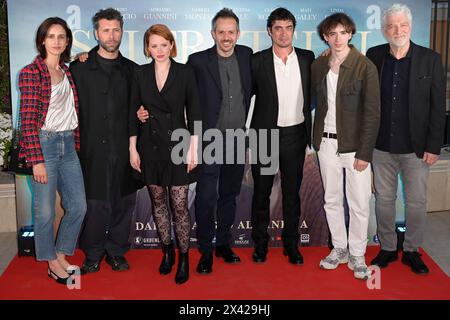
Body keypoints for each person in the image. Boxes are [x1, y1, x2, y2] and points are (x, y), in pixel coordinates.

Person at [367, 4, 446, 274]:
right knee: (384, 200)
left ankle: (412, 250)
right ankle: (387, 248)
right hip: (381, 147)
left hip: (417, 150)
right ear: (384, 29)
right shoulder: (374, 55)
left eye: (402, 25)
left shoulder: (430, 59)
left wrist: (433, 146)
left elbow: (438, 107)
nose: (397, 30)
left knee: (416, 202)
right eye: (391, 25)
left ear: (410, 27)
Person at [70, 8, 140, 274]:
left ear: (122, 31)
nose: (112, 36)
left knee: (124, 202)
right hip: (90, 150)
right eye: (106, 30)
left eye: (116, 30)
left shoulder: (133, 70)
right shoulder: (79, 68)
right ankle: (93, 253)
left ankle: (117, 251)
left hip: (125, 149)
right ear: (96, 33)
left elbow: (141, 108)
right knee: (95, 204)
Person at [129, 24, 201, 284]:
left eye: (164, 44)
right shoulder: (140, 73)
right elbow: (132, 112)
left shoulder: (185, 72)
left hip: (179, 144)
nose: (159, 50)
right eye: (154, 45)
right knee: (158, 203)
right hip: (150, 146)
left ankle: (184, 257)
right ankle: (167, 252)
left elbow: (195, 113)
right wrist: (132, 148)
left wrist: (194, 150)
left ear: (172, 45)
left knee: (179, 205)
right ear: (147, 48)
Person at [311, 13, 380, 280]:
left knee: (360, 202)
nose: (337, 38)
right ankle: (339, 248)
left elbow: (373, 114)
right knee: (331, 199)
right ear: (326, 37)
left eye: (342, 32)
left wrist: (365, 153)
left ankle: (357, 253)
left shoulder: (365, 66)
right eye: (332, 34)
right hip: (326, 144)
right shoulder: (319, 66)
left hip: (354, 147)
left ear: (350, 34)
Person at [18, 17, 86, 284]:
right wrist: (36, 161)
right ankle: (49, 261)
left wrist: (83, 57)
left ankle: (59, 253)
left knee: (78, 205)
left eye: (62, 36)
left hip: (68, 145)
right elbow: (27, 120)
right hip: (44, 144)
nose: (57, 41)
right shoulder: (30, 73)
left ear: (67, 40)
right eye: (51, 36)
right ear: (42, 40)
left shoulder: (68, 71)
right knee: (45, 211)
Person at [187, 8, 252, 274]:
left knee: (229, 194)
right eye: (221, 32)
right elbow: (185, 97)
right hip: (208, 139)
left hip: (238, 137)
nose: (226, 37)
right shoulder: (197, 61)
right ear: (213, 33)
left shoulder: (248, 56)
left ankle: (223, 243)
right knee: (205, 196)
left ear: (238, 34)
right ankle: (205, 251)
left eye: (231, 32)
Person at [250, 7, 314, 264]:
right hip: (265, 135)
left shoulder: (309, 59)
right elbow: (243, 97)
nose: (283, 33)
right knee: (261, 193)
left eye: (288, 28)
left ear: (294, 30)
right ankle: (260, 245)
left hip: (296, 135)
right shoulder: (256, 61)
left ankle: (291, 244)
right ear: (269, 31)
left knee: (291, 193)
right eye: (278, 28)